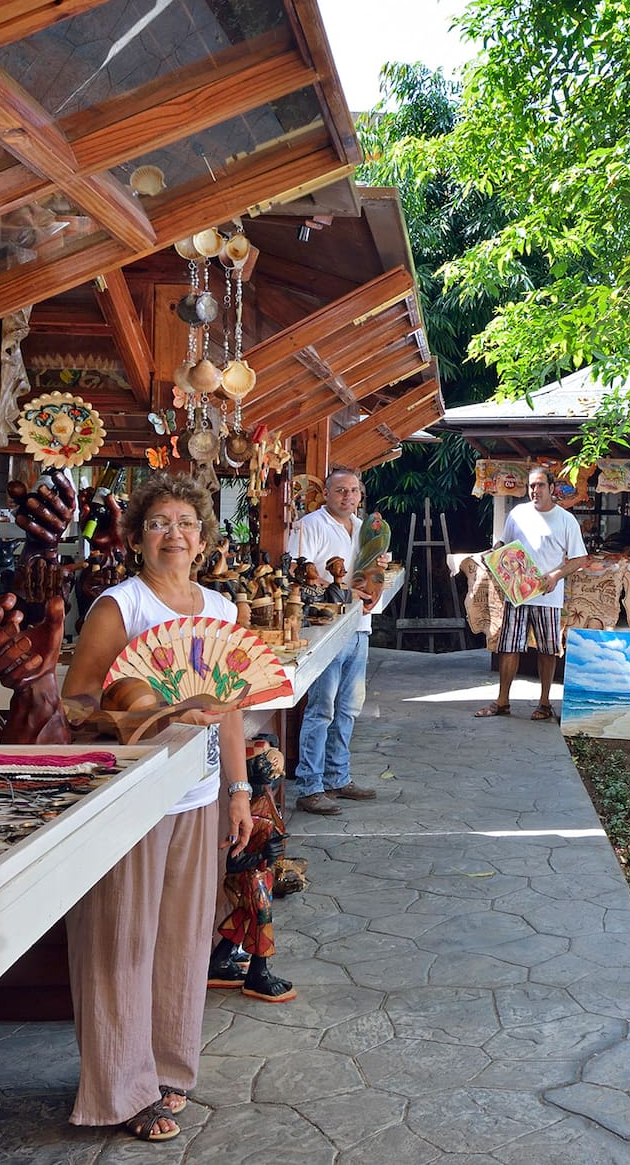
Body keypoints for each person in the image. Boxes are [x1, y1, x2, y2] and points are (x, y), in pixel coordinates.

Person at [58, 476, 251, 1142]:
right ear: (138, 537)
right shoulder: (121, 606)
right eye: (159, 522)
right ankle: (119, 1089)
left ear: (203, 537)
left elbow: (231, 711)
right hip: (129, 799)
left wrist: (239, 789)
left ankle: (167, 1068)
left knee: (182, 939)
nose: (175, 533)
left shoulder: (222, 611)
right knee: (121, 939)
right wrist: (155, 706)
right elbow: (77, 701)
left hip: (196, 795)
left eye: (187, 522)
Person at [290, 466, 385, 816]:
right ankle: (310, 786)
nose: (348, 496)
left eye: (353, 491)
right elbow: (300, 577)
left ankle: (337, 777)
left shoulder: (365, 530)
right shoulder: (309, 526)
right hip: (326, 630)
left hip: (360, 627)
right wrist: (349, 589)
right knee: (321, 709)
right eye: (340, 490)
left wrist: (374, 585)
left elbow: (371, 574)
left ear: (360, 495)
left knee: (348, 709)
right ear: (327, 493)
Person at [474, 466, 589, 721]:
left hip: (548, 596)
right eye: (531, 486)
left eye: (540, 486)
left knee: (548, 650)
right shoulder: (517, 514)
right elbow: (504, 543)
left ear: (551, 489)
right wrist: (493, 552)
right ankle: (502, 701)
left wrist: (555, 576)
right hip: (517, 594)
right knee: (508, 647)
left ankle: (545, 703)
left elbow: (580, 558)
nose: (535, 491)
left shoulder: (565, 520)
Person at [207, 736, 296, 1004]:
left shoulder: (265, 799)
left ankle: (219, 963)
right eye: (265, 765)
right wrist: (261, 855)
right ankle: (259, 975)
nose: (273, 769)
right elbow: (234, 861)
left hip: (262, 874)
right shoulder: (251, 814)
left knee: (245, 917)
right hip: (250, 877)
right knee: (261, 921)